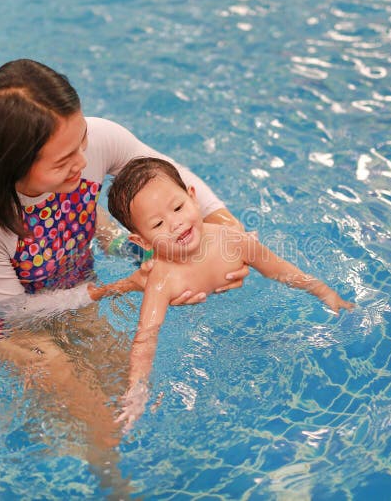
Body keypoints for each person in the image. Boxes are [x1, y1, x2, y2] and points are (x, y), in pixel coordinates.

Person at [0, 59, 247, 495]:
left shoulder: (89, 142)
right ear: (10, 165)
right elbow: (14, 311)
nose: (84, 162)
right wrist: (109, 290)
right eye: (65, 160)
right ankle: (112, 482)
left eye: (83, 140)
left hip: (73, 278)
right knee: (83, 404)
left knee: (126, 388)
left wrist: (224, 225)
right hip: (5, 320)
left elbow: (162, 171)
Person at [106, 157, 355, 430]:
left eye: (178, 207)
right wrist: (137, 389)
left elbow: (279, 269)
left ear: (193, 197)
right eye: (157, 225)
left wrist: (323, 292)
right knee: (124, 286)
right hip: (150, 273)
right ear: (142, 240)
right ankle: (104, 282)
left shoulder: (232, 241)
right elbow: (146, 335)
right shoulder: (162, 278)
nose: (176, 224)